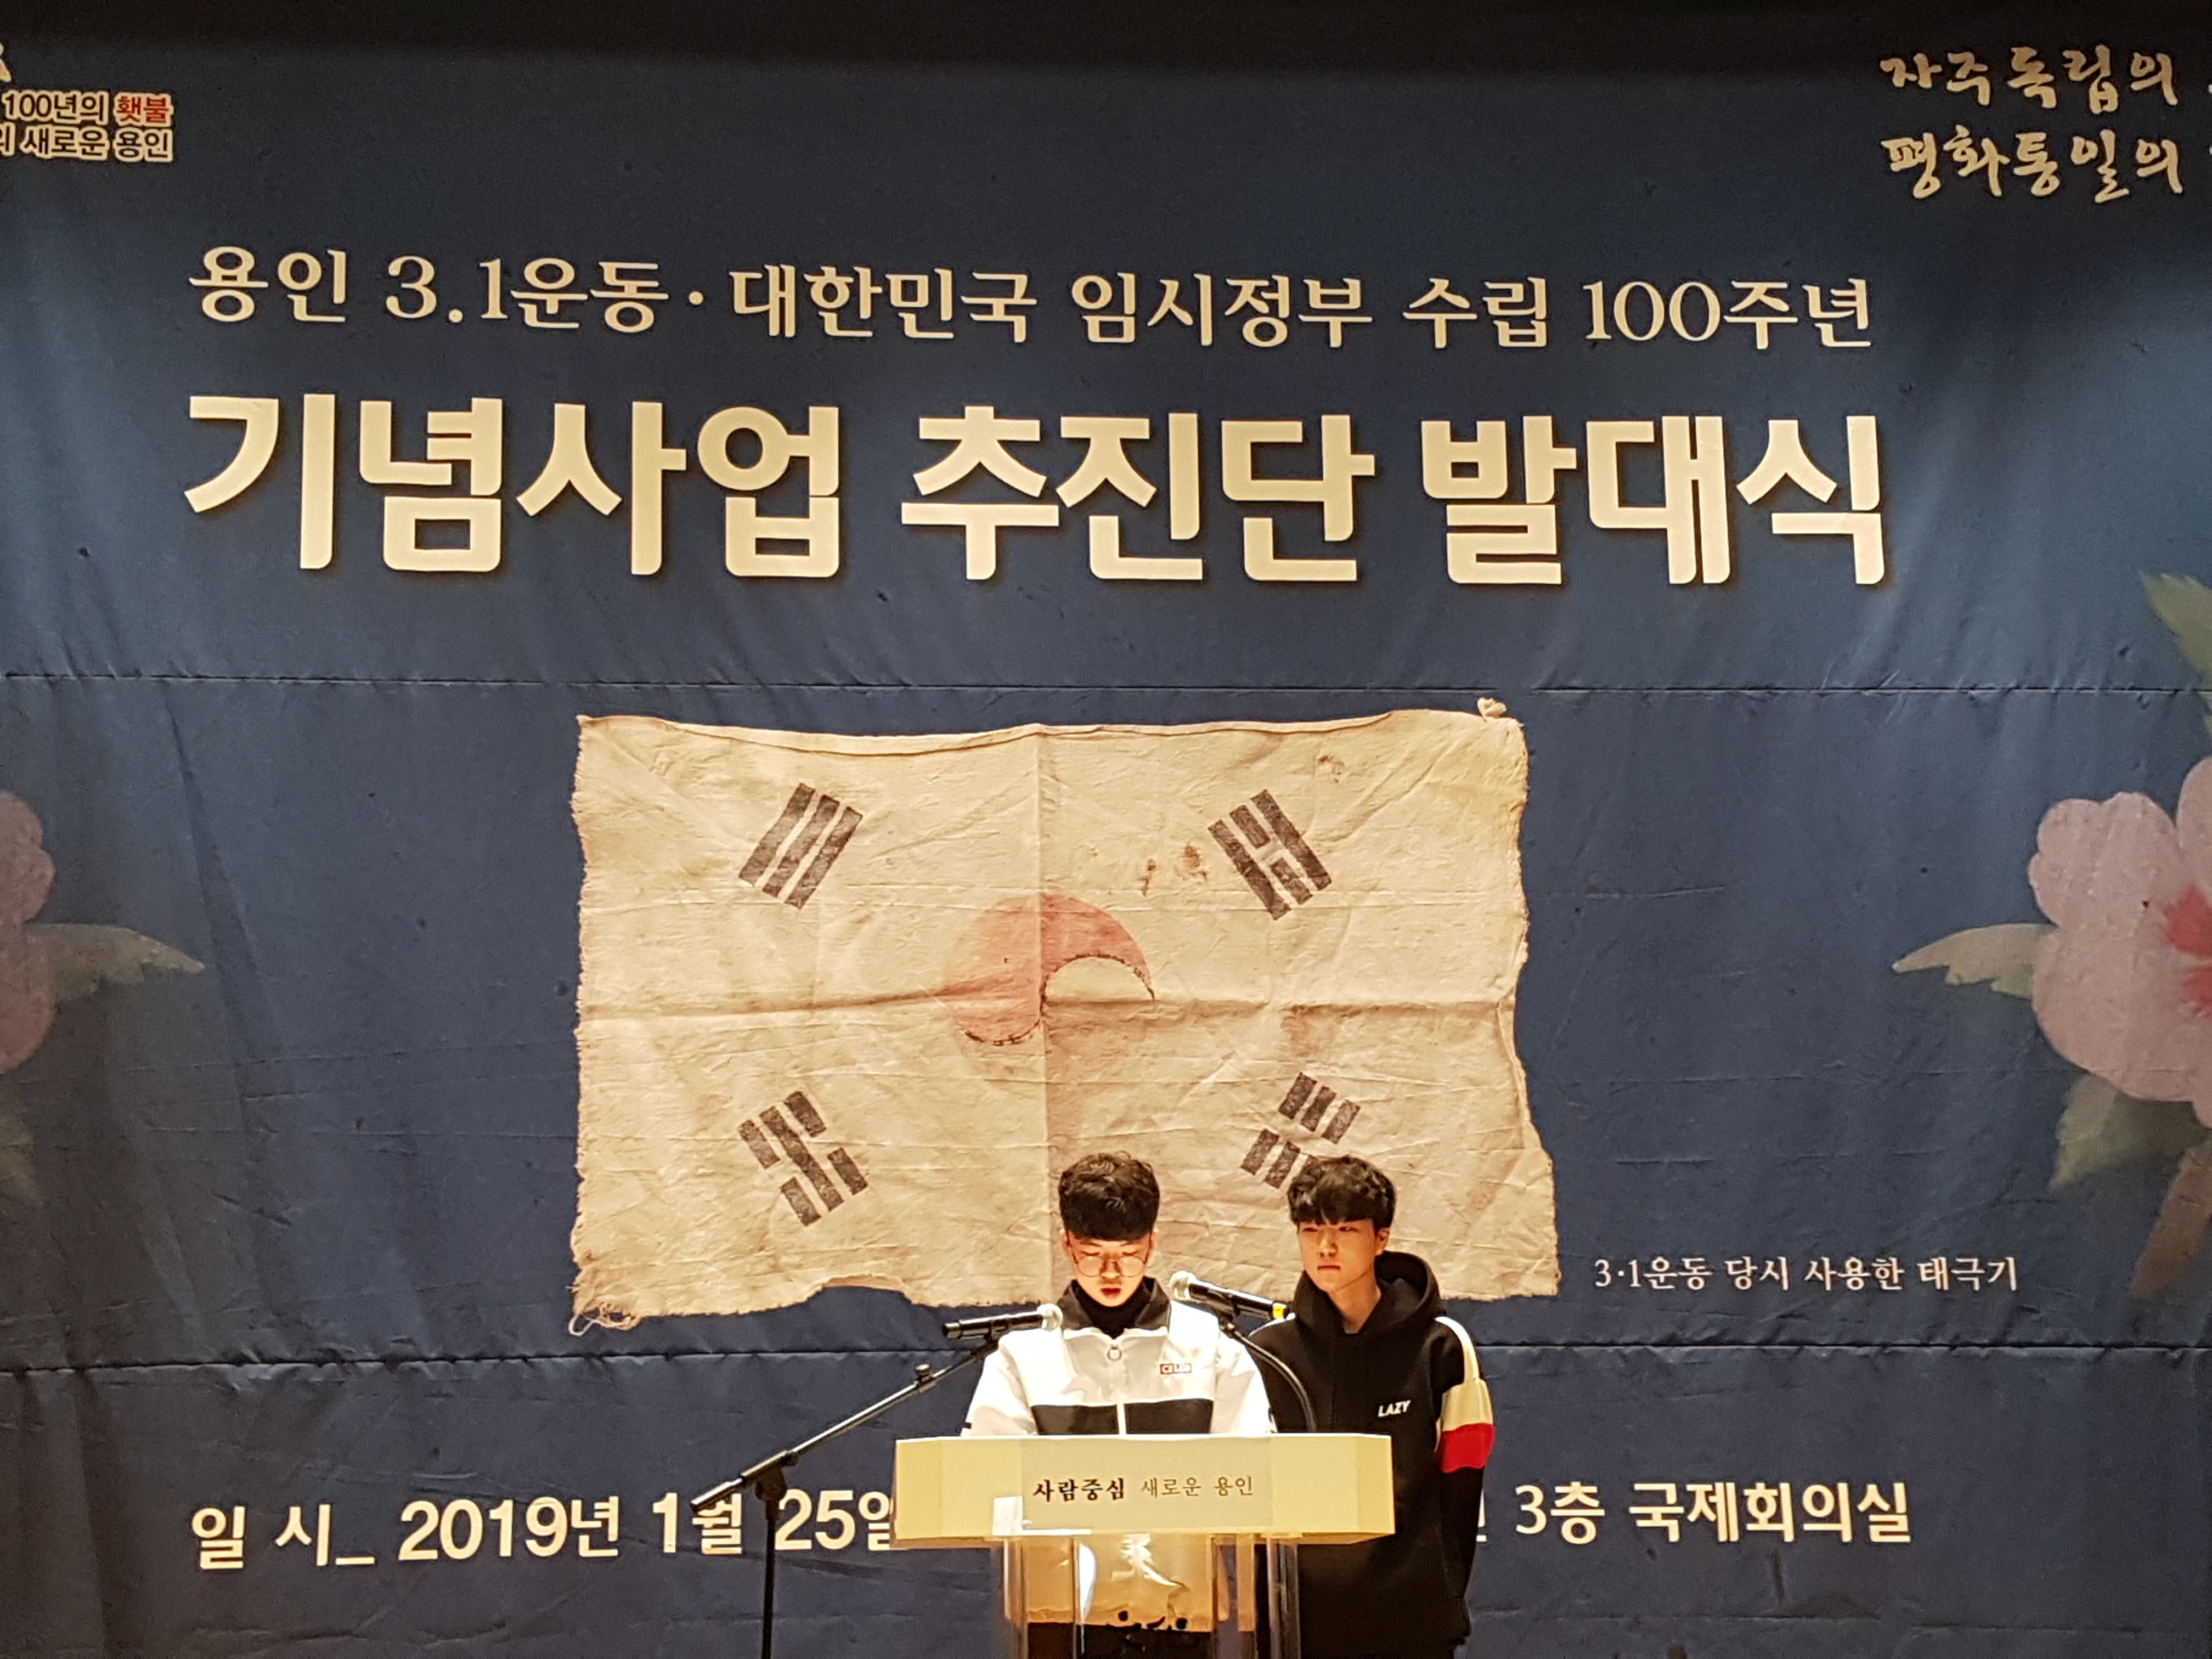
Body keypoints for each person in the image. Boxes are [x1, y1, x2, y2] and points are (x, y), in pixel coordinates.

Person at [964, 1152, 1273, 1655]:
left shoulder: (1208, 1344)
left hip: (1182, 1620)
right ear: (1066, 1245)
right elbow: (986, 1487)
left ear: (1153, 1243)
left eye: (1129, 1254)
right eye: (1092, 1254)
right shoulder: (1025, 1353)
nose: (1111, 1272)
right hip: (1061, 1620)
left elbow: (1256, 1472)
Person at [1249, 1156, 1492, 1659]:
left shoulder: (1441, 1346)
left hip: (1412, 1624)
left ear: (1382, 1239)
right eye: (1311, 1230)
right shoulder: (1268, 1352)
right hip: (1300, 1625)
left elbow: (1463, 1483)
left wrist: (1439, 1593)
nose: (1326, 1247)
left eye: (1345, 1230)